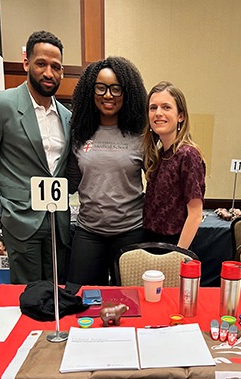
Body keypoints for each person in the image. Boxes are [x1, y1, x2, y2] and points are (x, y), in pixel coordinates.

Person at [0, 30, 72, 283]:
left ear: (62, 72)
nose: (48, 73)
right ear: (26, 63)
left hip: (58, 224)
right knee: (28, 300)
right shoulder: (0, 105)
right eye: (41, 64)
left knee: (57, 296)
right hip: (20, 220)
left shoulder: (67, 116)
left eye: (56, 67)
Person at [64, 57, 148, 285]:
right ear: (90, 92)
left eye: (116, 89)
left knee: (131, 302)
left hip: (131, 230)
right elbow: (71, 180)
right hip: (89, 231)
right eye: (100, 88)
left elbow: (158, 181)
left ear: (127, 93)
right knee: (79, 300)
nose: (108, 95)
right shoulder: (80, 133)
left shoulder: (141, 136)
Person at [141, 81, 205, 250]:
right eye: (153, 108)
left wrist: (177, 254)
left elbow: (195, 215)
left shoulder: (188, 155)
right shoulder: (158, 155)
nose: (158, 113)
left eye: (166, 107)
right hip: (151, 241)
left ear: (180, 116)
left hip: (174, 246)